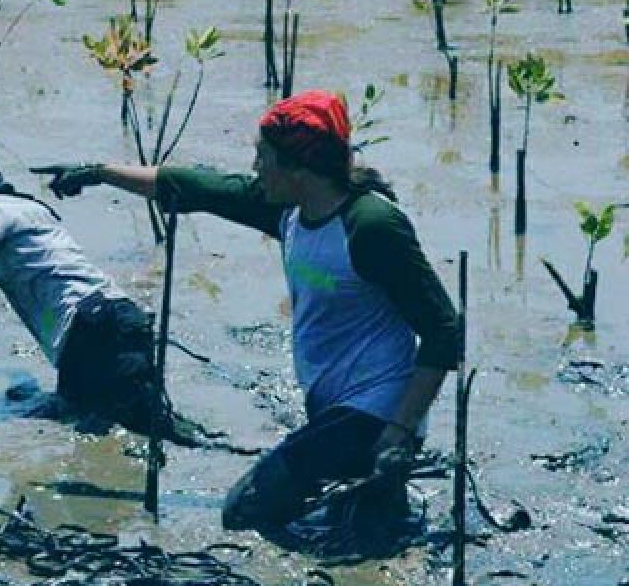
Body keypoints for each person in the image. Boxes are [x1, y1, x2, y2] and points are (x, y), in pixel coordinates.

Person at [33, 90, 460, 530]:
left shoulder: (370, 226)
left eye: (263, 157)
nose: (255, 168)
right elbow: (191, 184)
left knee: (245, 511)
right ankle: (374, 502)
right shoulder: (289, 211)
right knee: (349, 520)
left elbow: (444, 330)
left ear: (299, 167)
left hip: (376, 411)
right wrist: (98, 173)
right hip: (333, 404)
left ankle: (376, 494)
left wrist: (401, 430)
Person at [0, 153, 228, 449]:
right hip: (101, 327)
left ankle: (233, 456)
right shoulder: (21, 214)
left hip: (96, 327)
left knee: (137, 432)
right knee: (115, 430)